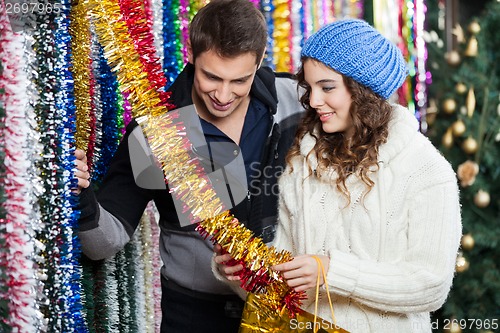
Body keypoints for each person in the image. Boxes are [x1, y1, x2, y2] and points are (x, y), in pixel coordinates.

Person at [215, 19, 462, 332]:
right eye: (310, 87)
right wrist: (248, 273)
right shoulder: (303, 161)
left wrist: (333, 273)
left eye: (327, 87)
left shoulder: (426, 171)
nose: (314, 101)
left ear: (364, 90)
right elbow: (289, 282)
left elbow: (431, 285)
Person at [73, 0, 303, 332]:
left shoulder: (293, 100)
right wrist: (80, 197)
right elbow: (103, 244)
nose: (224, 94)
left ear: (260, 59)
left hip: (290, 310)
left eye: (240, 80)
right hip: (194, 316)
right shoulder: (154, 133)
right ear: (191, 54)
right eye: (211, 77)